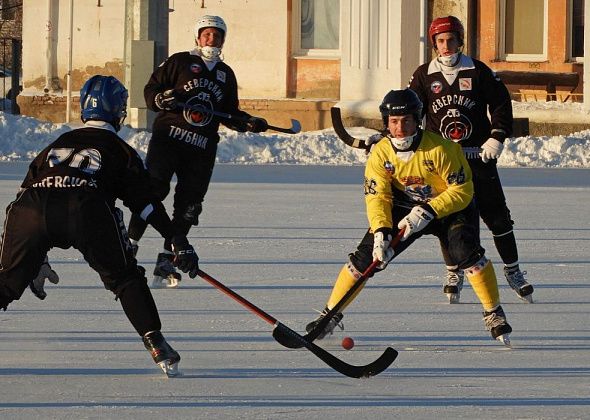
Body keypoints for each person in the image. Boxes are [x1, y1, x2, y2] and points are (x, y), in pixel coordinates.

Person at [0, 75, 200, 377]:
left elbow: (20, 200)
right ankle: (155, 342)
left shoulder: (55, 145)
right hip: (85, 208)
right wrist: (175, 238)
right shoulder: (120, 150)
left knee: (6, 283)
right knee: (124, 277)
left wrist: (30, 259)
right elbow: (145, 203)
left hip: (31, 208)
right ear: (117, 112)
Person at [306, 89, 512, 345]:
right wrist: (381, 231)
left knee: (465, 252)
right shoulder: (381, 154)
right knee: (366, 257)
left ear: (418, 120)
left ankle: (494, 312)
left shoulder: (441, 148)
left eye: (406, 121)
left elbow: (462, 190)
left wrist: (429, 210)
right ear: (386, 123)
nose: (400, 128)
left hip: (449, 208)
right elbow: (377, 196)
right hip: (404, 207)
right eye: (394, 122)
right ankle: (330, 315)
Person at [127, 15, 268, 288]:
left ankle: (168, 258)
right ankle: (130, 245)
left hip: (201, 149)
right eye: (207, 35)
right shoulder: (179, 61)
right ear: (197, 37)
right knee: (153, 191)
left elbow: (228, 113)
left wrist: (249, 122)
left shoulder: (226, 74)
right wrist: (160, 98)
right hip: (169, 140)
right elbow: (151, 90)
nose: (211, 39)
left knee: (190, 206)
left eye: (217, 35)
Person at [408, 15, 534, 304]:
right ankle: (453, 270)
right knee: (447, 219)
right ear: (434, 44)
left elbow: (501, 102)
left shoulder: (477, 70)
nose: (446, 45)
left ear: (460, 40)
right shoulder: (424, 75)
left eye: (451, 39)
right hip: (442, 163)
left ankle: (513, 270)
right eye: (440, 41)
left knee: (497, 216)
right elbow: (413, 113)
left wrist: (496, 136)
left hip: (477, 156)